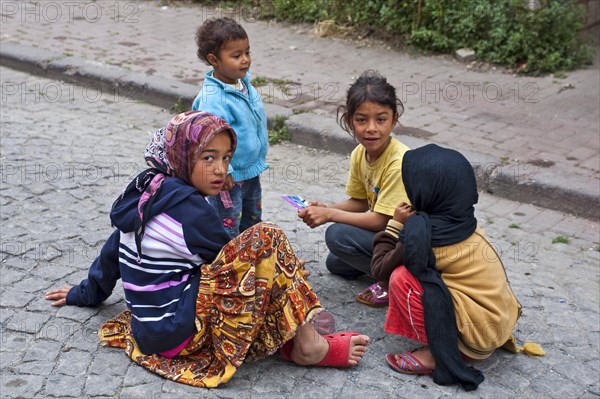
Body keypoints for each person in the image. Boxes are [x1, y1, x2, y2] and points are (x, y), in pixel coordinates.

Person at [45, 111, 369, 388]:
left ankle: (291, 332)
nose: (220, 169)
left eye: (226, 158)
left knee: (265, 255)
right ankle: (308, 346)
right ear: (184, 156)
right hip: (181, 336)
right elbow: (234, 261)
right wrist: (280, 271)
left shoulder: (148, 193)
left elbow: (111, 254)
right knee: (266, 238)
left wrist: (84, 293)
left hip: (150, 333)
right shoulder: (190, 209)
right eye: (208, 157)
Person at [371, 144, 522, 391]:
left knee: (400, 277)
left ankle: (437, 355)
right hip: (498, 326)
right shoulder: (463, 220)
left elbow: (379, 269)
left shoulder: (424, 236)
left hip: (473, 343)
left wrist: (395, 225)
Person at [298, 70, 410, 308]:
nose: (371, 128)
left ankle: (396, 281)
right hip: (384, 237)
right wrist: (326, 207)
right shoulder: (361, 153)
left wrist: (329, 215)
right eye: (362, 120)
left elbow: (381, 220)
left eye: (381, 119)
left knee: (337, 235)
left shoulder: (398, 161)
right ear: (350, 120)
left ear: (394, 120)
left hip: (403, 240)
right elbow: (360, 201)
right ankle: (386, 268)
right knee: (335, 263)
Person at [191, 17, 268, 239]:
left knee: (252, 218)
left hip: (250, 171)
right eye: (236, 56)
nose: (245, 60)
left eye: (247, 52)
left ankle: (250, 255)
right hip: (227, 178)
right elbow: (210, 141)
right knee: (228, 224)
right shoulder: (212, 99)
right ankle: (227, 265)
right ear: (214, 59)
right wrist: (225, 171)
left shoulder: (243, 83)